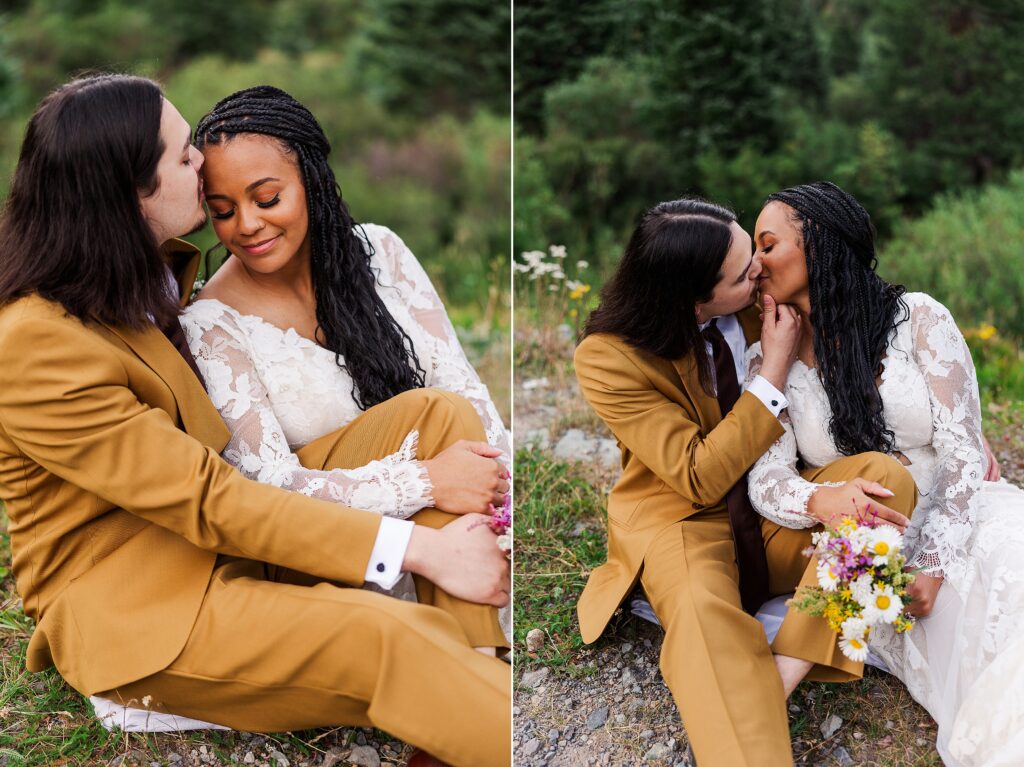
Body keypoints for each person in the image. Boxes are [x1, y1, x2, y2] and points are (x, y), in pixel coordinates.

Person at [0, 74, 509, 767]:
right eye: (184, 158)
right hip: (149, 606)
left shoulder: (140, 270)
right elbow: (210, 498)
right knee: (390, 634)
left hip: (231, 547)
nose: (201, 164)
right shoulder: (35, 342)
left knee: (430, 415)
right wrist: (418, 548)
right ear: (130, 194)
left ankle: (479, 672)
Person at [572, 198, 918, 767]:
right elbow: (698, 476)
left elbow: (866, 314)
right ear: (693, 297)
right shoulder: (607, 358)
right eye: (742, 274)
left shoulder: (767, 299)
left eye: (752, 252)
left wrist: (952, 420)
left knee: (881, 481)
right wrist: (773, 373)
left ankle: (786, 668)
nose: (759, 270)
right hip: (685, 519)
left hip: (776, 501)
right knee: (704, 621)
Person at [178, 86, 510, 650]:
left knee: (447, 410)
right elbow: (265, 487)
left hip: (445, 507)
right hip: (335, 543)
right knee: (436, 413)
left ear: (311, 180)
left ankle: (474, 661)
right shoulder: (211, 321)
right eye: (223, 212)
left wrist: (497, 488)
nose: (248, 226)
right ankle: (480, 667)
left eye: (267, 198)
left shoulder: (380, 251)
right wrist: (424, 481)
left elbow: (464, 387)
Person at [746, 180, 1024, 766]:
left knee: (1013, 574)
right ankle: (762, 700)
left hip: (959, 512)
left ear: (818, 243)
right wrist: (821, 501)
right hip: (865, 542)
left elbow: (963, 451)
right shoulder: (767, 352)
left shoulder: (917, 317)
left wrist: (938, 562)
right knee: (961, 636)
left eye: (768, 244)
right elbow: (765, 479)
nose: (756, 261)